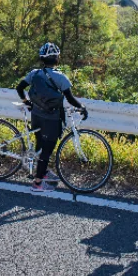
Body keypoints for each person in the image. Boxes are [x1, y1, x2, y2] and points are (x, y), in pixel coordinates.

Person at [16, 42, 88, 192]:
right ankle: (37, 183)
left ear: (42, 59)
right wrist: (82, 107)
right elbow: (70, 98)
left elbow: (19, 88)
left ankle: (41, 171)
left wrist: (27, 103)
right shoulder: (61, 77)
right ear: (56, 58)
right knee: (46, 151)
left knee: (40, 147)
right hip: (51, 118)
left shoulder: (34, 73)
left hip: (36, 115)